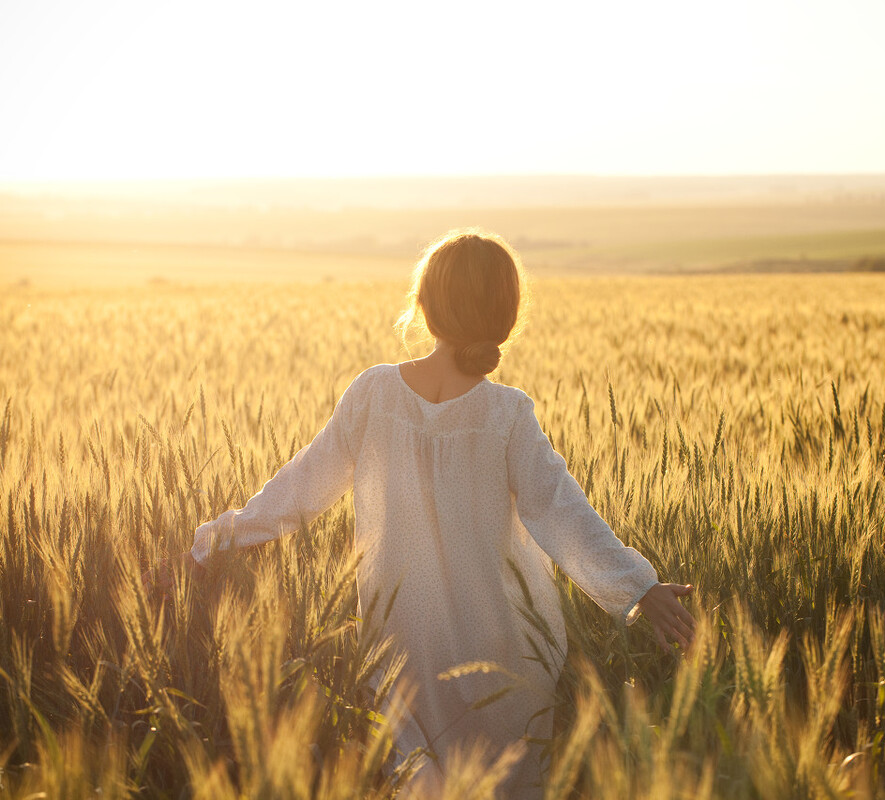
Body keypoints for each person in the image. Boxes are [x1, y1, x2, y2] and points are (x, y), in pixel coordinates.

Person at [160, 229, 695, 797]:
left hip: (401, 649)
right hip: (503, 651)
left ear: (427, 306)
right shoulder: (507, 414)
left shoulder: (374, 395)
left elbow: (299, 489)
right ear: (505, 318)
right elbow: (562, 513)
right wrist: (638, 588)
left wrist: (216, 540)